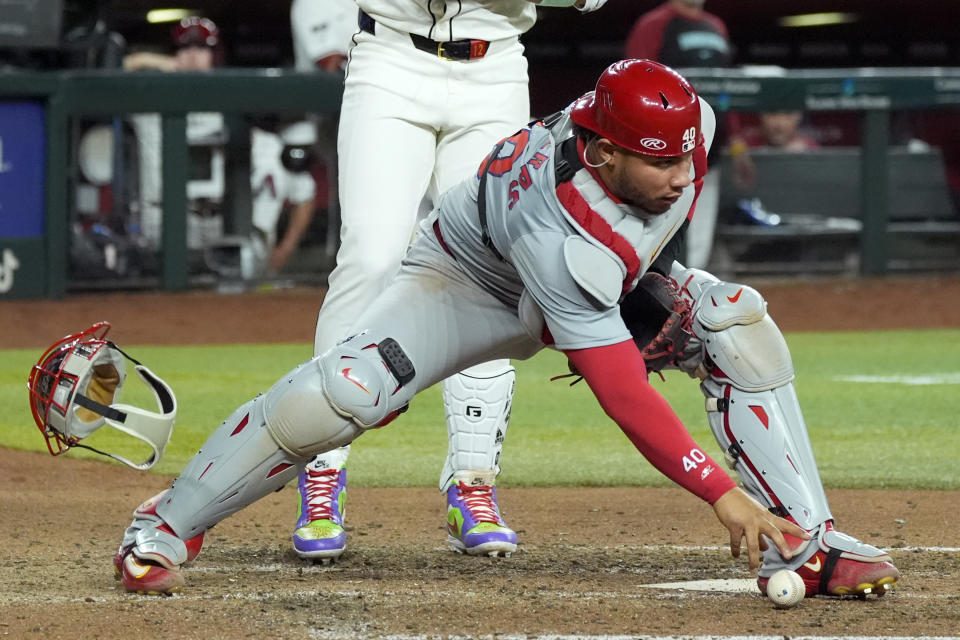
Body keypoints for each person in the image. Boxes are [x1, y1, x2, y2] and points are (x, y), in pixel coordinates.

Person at [112, 59, 901, 600]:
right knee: (342, 395)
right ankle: (165, 526)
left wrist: (649, 298)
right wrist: (719, 493)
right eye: (658, 164)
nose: (680, 175)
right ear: (598, 151)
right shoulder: (561, 227)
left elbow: (641, 231)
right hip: (468, 282)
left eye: (685, 157)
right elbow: (622, 393)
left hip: (598, 276)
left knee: (734, 324)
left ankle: (811, 541)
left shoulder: (679, 129)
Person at [288, 0, 608, 563]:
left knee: (489, 272)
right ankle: (322, 470)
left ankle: (473, 481)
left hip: (495, 69)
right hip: (391, 59)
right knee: (371, 255)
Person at [625, 0, 755, 270]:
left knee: (701, 223)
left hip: (710, 143)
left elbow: (726, 88)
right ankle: (647, 283)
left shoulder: (716, 25)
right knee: (657, 219)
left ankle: (689, 289)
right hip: (663, 144)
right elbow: (632, 79)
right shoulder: (655, 23)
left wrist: (737, 143)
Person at [744, 111, 820, 152]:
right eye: (773, 115)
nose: (779, 125)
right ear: (762, 117)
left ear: (798, 118)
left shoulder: (810, 148)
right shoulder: (748, 146)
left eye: (787, 116)